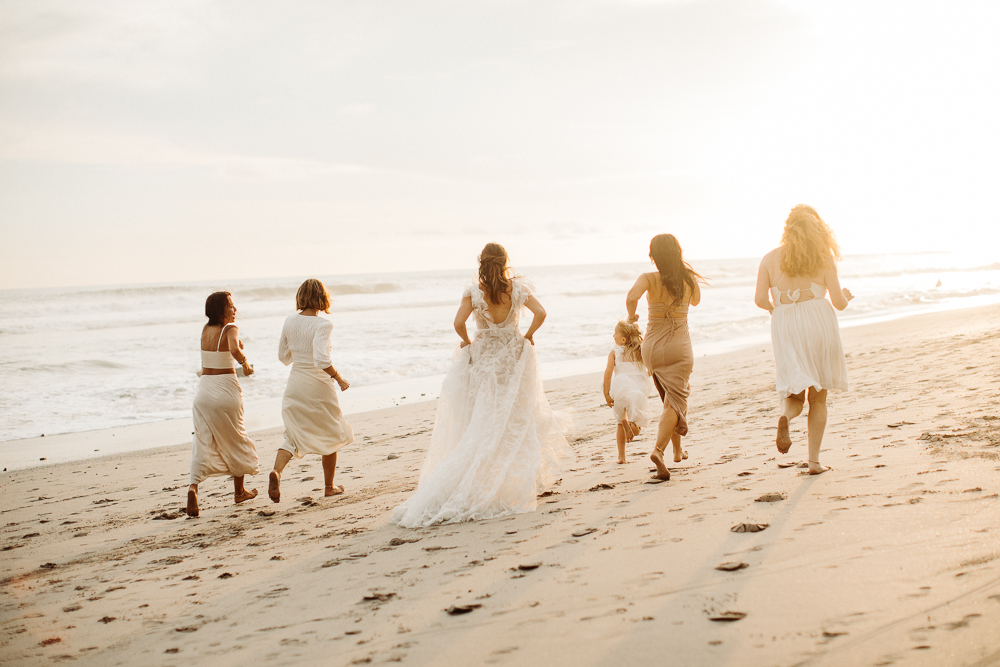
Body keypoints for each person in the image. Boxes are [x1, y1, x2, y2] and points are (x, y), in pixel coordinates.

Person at [392, 243, 574, 528]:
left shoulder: (474, 292)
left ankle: (480, 479)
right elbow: (541, 314)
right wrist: (527, 336)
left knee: (481, 420)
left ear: (481, 262)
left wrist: (467, 342)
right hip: (513, 357)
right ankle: (517, 482)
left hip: (485, 358)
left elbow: (458, 322)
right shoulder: (516, 290)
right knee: (516, 418)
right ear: (504, 262)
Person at [754, 204, 853, 474]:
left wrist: (778, 310)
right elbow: (839, 303)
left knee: (794, 393)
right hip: (818, 322)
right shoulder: (822, 258)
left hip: (785, 324)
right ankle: (813, 462)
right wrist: (847, 295)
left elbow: (760, 299)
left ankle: (785, 417)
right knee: (818, 399)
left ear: (788, 228)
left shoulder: (769, 258)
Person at [268, 279, 353, 502]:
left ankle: (276, 472)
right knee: (331, 432)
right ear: (323, 298)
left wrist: (299, 353)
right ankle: (329, 487)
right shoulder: (323, 325)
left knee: (292, 434)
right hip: (318, 385)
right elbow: (321, 359)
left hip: (295, 383)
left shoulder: (289, 321)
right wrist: (339, 378)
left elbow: (283, 357)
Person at [626, 234, 703, 481]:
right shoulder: (688, 279)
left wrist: (630, 318)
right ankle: (658, 451)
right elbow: (697, 301)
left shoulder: (648, 278)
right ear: (678, 252)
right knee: (675, 402)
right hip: (679, 347)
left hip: (652, 348)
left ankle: (677, 451)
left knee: (670, 400)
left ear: (653, 257)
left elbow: (631, 298)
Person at [187, 291, 260, 517]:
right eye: (231, 305)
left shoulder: (205, 330)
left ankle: (193, 488)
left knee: (202, 441)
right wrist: (246, 365)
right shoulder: (231, 328)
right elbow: (234, 350)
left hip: (203, 392)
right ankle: (239, 492)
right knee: (236, 436)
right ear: (221, 310)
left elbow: (215, 352)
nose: (235, 309)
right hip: (225, 390)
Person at [603, 320, 655, 464]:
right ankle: (630, 425)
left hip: (620, 386)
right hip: (639, 388)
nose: (613, 336)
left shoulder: (614, 352)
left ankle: (621, 457)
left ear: (623, 339)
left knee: (620, 422)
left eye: (615, 334)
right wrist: (645, 375)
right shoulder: (640, 350)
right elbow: (651, 369)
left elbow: (608, 373)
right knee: (638, 425)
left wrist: (606, 393)